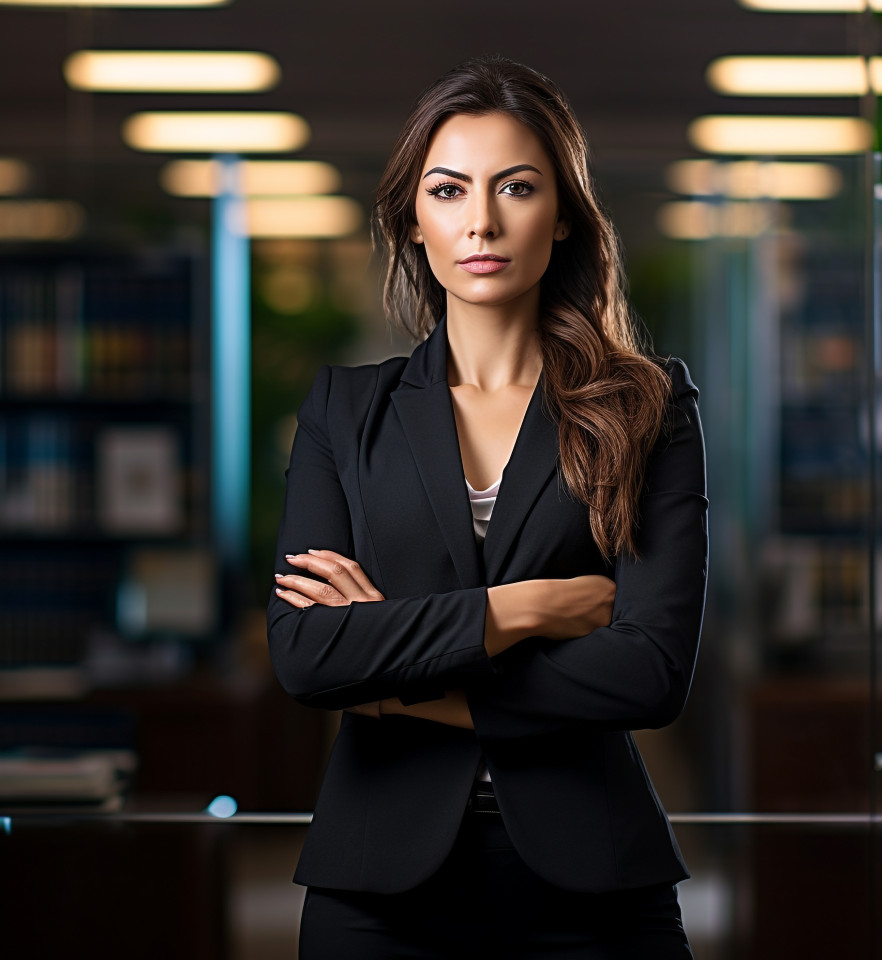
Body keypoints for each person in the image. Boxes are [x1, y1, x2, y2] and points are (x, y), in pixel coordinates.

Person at [268, 55, 708, 959]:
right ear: (412, 224)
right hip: (376, 894)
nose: (482, 221)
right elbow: (308, 655)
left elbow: (650, 674)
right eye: (448, 190)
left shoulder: (648, 407)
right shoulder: (345, 412)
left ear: (563, 220)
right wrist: (528, 609)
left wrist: (395, 688)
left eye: (516, 187)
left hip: (594, 887)